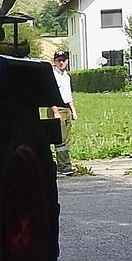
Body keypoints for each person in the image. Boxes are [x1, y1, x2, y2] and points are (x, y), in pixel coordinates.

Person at [50, 49, 77, 177]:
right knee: (59, 139)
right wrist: (55, 111)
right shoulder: (52, 76)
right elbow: (50, 95)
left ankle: (61, 167)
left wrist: (73, 111)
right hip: (57, 108)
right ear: (54, 62)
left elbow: (68, 95)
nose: (61, 62)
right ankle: (66, 166)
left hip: (66, 107)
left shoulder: (66, 76)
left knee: (66, 139)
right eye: (58, 60)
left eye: (63, 60)